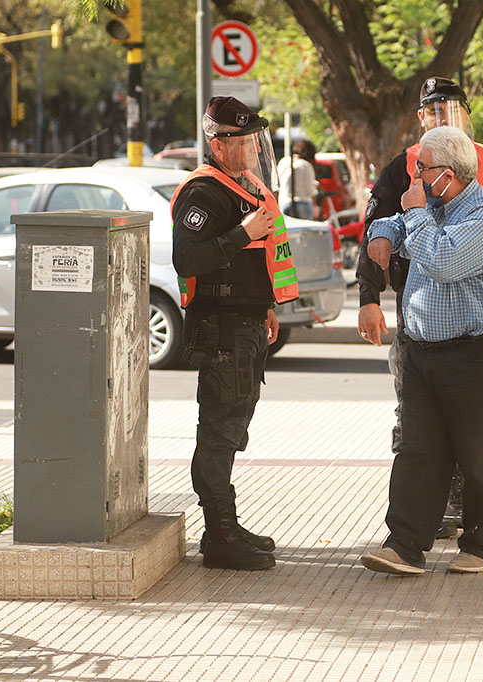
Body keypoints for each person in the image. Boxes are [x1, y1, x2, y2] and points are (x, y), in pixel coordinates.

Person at [356, 77, 483, 540]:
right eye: (433, 111)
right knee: (416, 437)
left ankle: (473, 529)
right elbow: (384, 223)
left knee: (473, 441)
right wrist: (368, 296)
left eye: (451, 110)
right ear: (420, 118)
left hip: (471, 335)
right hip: (418, 330)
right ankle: (413, 531)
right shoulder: (410, 166)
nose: (443, 119)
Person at [171, 96, 297, 570]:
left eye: (253, 140)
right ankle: (219, 534)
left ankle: (226, 525)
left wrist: (264, 305)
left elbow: (253, 262)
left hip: (243, 325)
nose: (250, 148)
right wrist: (242, 233)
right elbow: (187, 258)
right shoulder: (204, 192)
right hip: (220, 329)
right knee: (219, 431)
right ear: (217, 143)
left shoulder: (245, 185)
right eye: (242, 140)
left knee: (233, 426)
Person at [277, 140, 318, 219]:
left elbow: (276, 184)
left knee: (287, 230)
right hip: (303, 203)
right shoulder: (306, 165)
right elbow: (310, 191)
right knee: (304, 230)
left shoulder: (283, 162)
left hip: (284, 202)